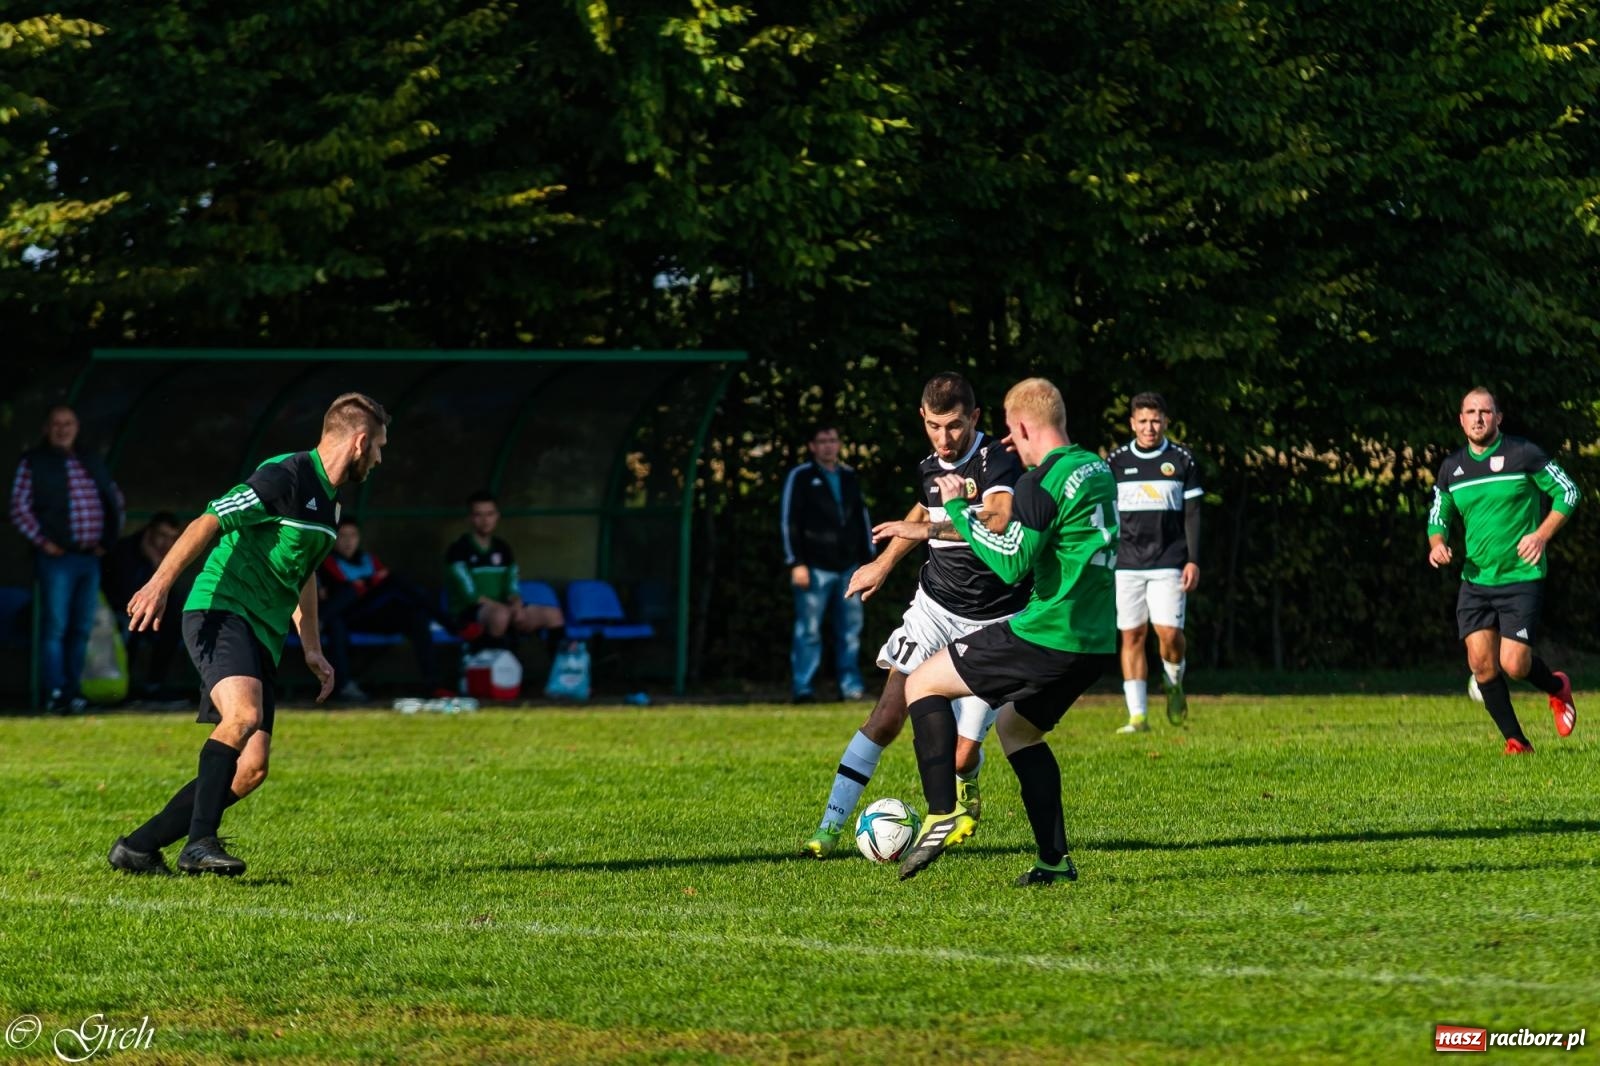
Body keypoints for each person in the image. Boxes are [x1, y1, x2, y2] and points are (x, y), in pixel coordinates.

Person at [107, 392, 389, 877]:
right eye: (381, 447)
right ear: (360, 441)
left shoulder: (332, 505)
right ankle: (199, 845)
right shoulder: (285, 475)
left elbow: (304, 573)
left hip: (263, 629)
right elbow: (209, 518)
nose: (381, 458)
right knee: (243, 715)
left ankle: (138, 846)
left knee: (251, 768)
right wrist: (158, 584)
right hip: (220, 607)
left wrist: (313, 648)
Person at [893, 378, 1119, 886]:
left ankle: (942, 811)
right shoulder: (1096, 468)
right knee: (1018, 731)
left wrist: (953, 510)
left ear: (1019, 425)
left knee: (921, 683)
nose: (1008, 446)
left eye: (1011, 436)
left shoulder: (1040, 482)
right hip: (1096, 640)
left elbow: (1011, 563)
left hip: (1048, 632)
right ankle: (1054, 861)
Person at [802, 372, 1028, 857]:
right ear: (922, 420)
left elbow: (997, 520)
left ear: (975, 417)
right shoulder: (930, 467)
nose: (943, 439)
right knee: (886, 715)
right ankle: (830, 825)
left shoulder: (997, 459)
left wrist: (928, 528)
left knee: (964, 753)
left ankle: (967, 787)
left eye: (953, 426)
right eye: (933, 426)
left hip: (994, 621)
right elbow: (924, 513)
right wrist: (882, 564)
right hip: (935, 608)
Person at [1427, 387, 1580, 753]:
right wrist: (1438, 545)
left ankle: (1557, 688)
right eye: (1471, 412)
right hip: (1476, 580)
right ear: (1461, 420)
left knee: (1513, 663)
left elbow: (1569, 492)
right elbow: (1439, 515)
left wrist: (1541, 535)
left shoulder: (1522, 454)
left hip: (1520, 577)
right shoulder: (1453, 468)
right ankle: (1517, 741)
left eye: (1485, 411)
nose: (1478, 418)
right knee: (1481, 665)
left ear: (1499, 417)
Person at [9, 403, 125, 713]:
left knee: (81, 627)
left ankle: (73, 692)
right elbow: (19, 508)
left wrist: (108, 540)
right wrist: (44, 543)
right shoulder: (33, 462)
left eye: (68, 423)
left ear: (76, 427)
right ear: (46, 429)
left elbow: (114, 499)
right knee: (55, 626)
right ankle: (55, 691)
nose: (63, 429)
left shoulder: (89, 459)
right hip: (57, 558)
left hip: (90, 557)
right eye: (56, 424)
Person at [1108, 392, 1204, 733]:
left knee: (1169, 635)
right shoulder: (1116, 462)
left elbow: (1192, 513)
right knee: (1131, 635)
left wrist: (1193, 560)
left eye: (1156, 420)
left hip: (1169, 561)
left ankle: (1174, 680)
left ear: (1165, 422)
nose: (1150, 427)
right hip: (1127, 563)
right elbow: (1107, 514)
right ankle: (1138, 716)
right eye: (1143, 421)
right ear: (1133, 423)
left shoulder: (1181, 459)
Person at [320, 516, 474, 701]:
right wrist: (371, 581)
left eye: (352, 535)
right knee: (373, 586)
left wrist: (369, 582)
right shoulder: (327, 561)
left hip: (371, 613)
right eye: (342, 536)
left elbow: (378, 581)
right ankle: (450, 623)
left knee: (415, 614)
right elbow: (345, 588)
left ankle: (433, 685)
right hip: (343, 615)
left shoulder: (368, 559)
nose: (348, 541)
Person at [781, 423, 876, 702]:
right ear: (812, 446)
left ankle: (850, 686)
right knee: (808, 630)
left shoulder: (849, 476)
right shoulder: (800, 476)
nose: (828, 446)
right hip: (814, 568)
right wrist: (795, 562)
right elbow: (789, 521)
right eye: (822, 440)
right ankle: (803, 687)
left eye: (832, 440)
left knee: (850, 632)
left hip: (849, 567)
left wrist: (868, 561)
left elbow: (862, 518)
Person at [445, 491, 563, 644]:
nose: (485, 520)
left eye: (490, 514)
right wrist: (507, 610)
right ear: (469, 518)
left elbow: (511, 585)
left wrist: (516, 605)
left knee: (553, 615)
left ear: (497, 516)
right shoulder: (458, 550)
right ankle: (492, 661)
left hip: (503, 608)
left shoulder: (503, 548)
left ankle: (561, 666)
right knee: (501, 615)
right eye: (478, 515)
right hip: (469, 611)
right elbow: (471, 596)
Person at [102, 511, 191, 700]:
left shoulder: (165, 558)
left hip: (147, 615)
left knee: (173, 624)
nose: (165, 543)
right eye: (161, 535)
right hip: (116, 613)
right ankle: (123, 690)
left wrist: (157, 565)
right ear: (148, 532)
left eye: (172, 538)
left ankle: (154, 685)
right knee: (131, 627)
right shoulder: (124, 551)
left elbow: (170, 598)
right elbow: (123, 593)